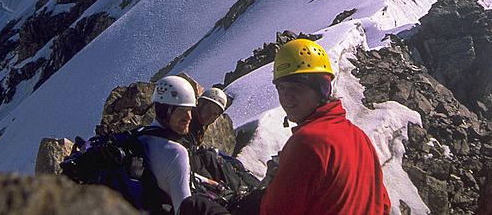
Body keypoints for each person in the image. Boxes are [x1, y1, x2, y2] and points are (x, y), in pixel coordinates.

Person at [259, 39, 391, 215]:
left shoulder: (306, 142)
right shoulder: (359, 136)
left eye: (297, 87)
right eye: (281, 88)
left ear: (322, 89)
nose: (286, 97)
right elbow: (382, 203)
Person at [133, 75, 229, 215]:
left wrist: (208, 181)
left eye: (190, 110)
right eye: (181, 110)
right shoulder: (176, 151)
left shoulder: (141, 136)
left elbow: (169, 174)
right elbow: (184, 208)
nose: (189, 117)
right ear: (166, 110)